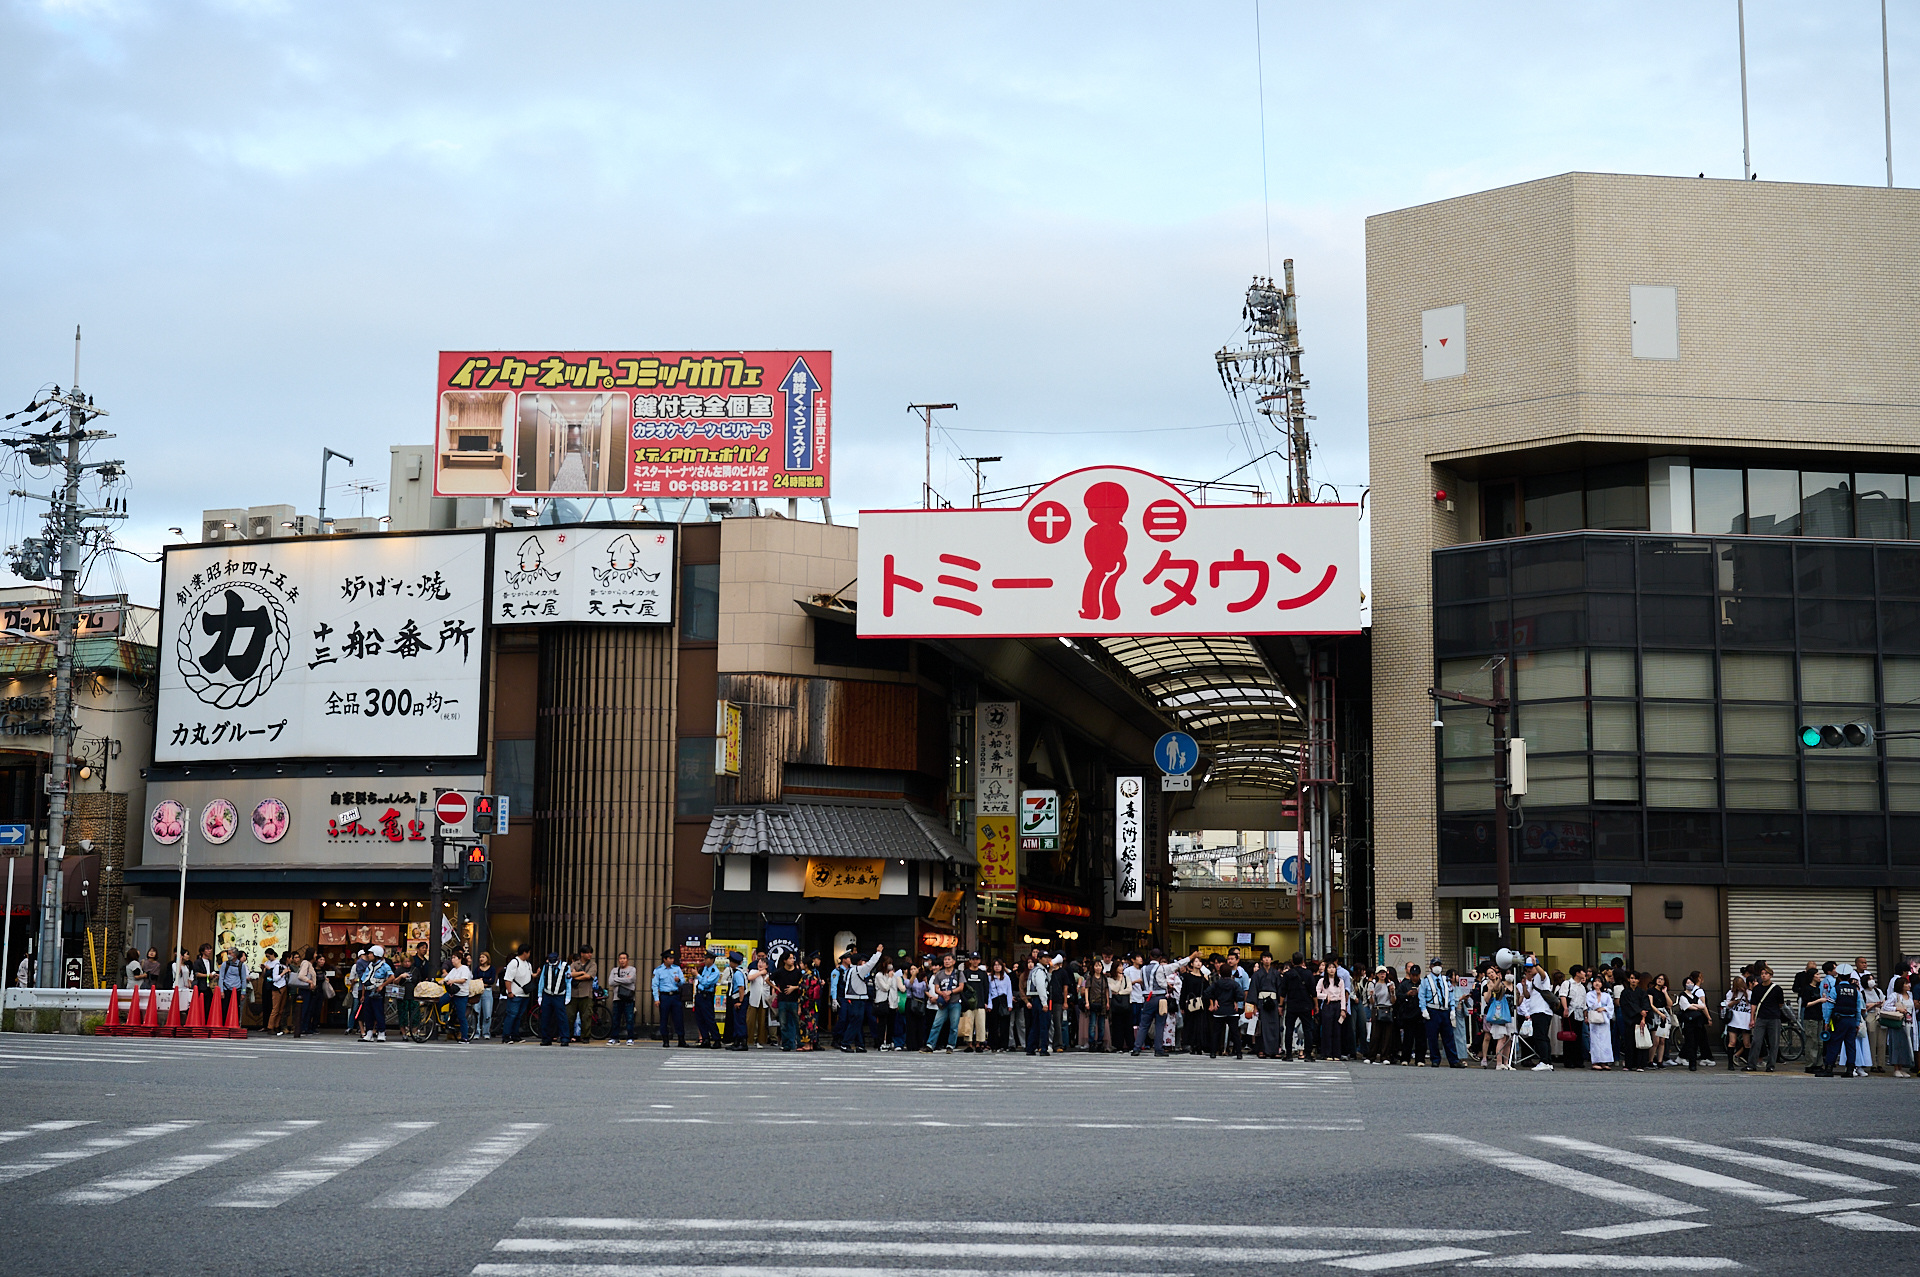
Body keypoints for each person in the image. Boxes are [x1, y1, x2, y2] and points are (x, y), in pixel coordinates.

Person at [1747, 967, 1782, 1073]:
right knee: (1756, 1041)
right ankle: (1751, 1064)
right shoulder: (1757, 989)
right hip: (1761, 1017)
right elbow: (1753, 1004)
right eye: (1762, 973)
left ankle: (1771, 1065)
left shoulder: (1777, 989)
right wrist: (1752, 1018)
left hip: (1774, 1018)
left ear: (1771, 975)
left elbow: (1781, 1004)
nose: (1763, 975)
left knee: (1774, 1042)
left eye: (1766, 974)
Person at [926, 953, 964, 1053]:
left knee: (954, 1026)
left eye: (949, 959)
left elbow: (961, 987)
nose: (947, 961)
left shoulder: (958, 973)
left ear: (954, 962)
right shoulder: (939, 974)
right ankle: (930, 1044)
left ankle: (950, 1045)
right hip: (943, 1004)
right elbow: (936, 988)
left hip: (955, 1002)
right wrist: (943, 994)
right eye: (945, 960)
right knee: (936, 1024)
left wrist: (950, 992)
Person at [650, 949, 687, 1047]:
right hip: (665, 996)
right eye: (670, 958)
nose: (672, 960)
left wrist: (679, 980)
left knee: (678, 1018)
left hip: (675, 996)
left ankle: (681, 1039)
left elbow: (683, 981)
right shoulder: (658, 970)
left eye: (672, 958)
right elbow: (654, 985)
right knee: (664, 1019)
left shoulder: (677, 969)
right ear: (664, 959)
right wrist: (656, 999)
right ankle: (665, 1040)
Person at [1316, 962, 1351, 1065]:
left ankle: (1336, 1054)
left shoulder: (1340, 981)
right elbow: (1316, 993)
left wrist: (1343, 1009)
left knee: (1337, 1030)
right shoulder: (1322, 981)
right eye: (1329, 968)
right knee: (1327, 1029)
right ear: (1326, 970)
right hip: (1327, 1005)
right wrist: (1325, 996)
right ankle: (1327, 1053)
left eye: (1333, 968)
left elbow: (1343, 996)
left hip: (1337, 1005)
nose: (1331, 970)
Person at [357, 945, 393, 1042]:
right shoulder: (369, 966)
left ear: (376, 954)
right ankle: (369, 1033)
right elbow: (364, 980)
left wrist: (382, 985)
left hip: (377, 992)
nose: (368, 955)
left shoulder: (384, 965)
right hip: (368, 991)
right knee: (368, 1013)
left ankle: (381, 1032)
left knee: (378, 1012)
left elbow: (391, 976)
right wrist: (363, 995)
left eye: (370, 953)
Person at [1882, 975, 1914, 1078]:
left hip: (1909, 1023)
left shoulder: (1910, 995)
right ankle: (1896, 1068)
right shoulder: (1894, 995)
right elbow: (1885, 1007)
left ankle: (1902, 1067)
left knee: (1905, 1046)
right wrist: (1897, 1009)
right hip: (1898, 1023)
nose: (1908, 985)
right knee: (1897, 1045)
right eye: (1905, 983)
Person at [501, 945, 534, 1043]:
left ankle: (515, 1035)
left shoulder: (528, 964)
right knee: (512, 1015)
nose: (529, 954)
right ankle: (506, 1036)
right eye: (528, 952)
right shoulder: (514, 962)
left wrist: (537, 974)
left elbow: (530, 975)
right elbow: (508, 979)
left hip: (524, 994)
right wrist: (510, 992)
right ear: (525, 952)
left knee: (518, 1016)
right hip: (515, 994)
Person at [537, 951, 571, 1046]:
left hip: (559, 995)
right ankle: (546, 1038)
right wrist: (540, 995)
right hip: (547, 995)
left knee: (562, 1017)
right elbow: (542, 981)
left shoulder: (565, 967)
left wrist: (568, 997)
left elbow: (568, 983)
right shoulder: (546, 966)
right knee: (545, 1017)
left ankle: (564, 1038)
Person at [773, 953, 805, 1051]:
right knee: (783, 1023)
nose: (792, 960)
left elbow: (803, 985)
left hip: (795, 1000)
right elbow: (768, 979)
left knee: (797, 1022)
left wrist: (794, 988)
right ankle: (786, 1044)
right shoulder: (779, 972)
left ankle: (800, 1043)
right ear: (784, 960)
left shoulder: (798, 972)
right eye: (790, 958)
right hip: (782, 1000)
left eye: (793, 958)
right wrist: (775, 988)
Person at [567, 945, 597, 1043]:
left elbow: (588, 976)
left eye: (590, 952)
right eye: (587, 952)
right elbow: (569, 974)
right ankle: (568, 1035)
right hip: (573, 993)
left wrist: (576, 975)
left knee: (586, 1016)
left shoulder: (593, 965)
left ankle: (585, 1036)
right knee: (570, 1016)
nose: (590, 954)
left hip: (586, 993)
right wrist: (581, 973)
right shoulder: (575, 964)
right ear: (582, 954)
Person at [1023, 950, 1051, 1056]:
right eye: (1044, 957)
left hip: (1034, 999)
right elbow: (1041, 987)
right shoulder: (1040, 971)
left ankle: (1031, 1047)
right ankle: (1043, 1048)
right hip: (1039, 999)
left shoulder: (1034, 970)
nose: (1047, 959)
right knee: (1043, 1024)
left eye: (1048, 957)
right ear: (1039, 959)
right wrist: (1044, 1003)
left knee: (1035, 1025)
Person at [960, 954, 989, 1053]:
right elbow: (962, 988)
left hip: (980, 1002)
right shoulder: (965, 973)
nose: (975, 961)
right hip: (968, 1004)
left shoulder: (983, 974)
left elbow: (986, 988)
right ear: (970, 961)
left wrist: (986, 1002)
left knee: (980, 1024)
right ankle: (969, 1044)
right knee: (968, 1024)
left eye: (977, 959)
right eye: (973, 959)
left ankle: (978, 1044)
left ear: (979, 961)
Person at [1721, 975, 1752, 1071]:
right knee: (1732, 1042)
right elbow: (1727, 1005)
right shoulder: (1730, 993)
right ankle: (1730, 1064)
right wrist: (1734, 1002)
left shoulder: (1750, 993)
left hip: (1746, 1019)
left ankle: (1748, 1063)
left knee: (1747, 1043)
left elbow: (1753, 1006)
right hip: (1734, 1020)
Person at [607, 952, 638, 1045]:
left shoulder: (632, 969)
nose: (622, 960)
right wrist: (623, 980)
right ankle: (614, 1038)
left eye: (624, 958)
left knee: (629, 1018)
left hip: (629, 998)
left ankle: (630, 1038)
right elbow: (610, 982)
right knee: (616, 1018)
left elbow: (630, 980)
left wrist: (617, 979)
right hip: (617, 998)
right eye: (620, 958)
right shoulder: (614, 970)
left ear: (627, 960)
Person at [1584, 977, 1615, 1070]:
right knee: (1595, 1041)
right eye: (1595, 982)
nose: (1597, 983)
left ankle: (1604, 1062)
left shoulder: (1606, 995)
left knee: (1605, 1040)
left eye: (1599, 982)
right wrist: (1598, 997)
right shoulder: (1589, 994)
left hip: (1604, 1020)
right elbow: (1592, 1006)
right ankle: (1595, 1061)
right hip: (1595, 1020)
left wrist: (1604, 1008)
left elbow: (1611, 1006)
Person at [443, 952, 472, 1043]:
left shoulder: (464, 968)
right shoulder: (453, 970)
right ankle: (444, 1022)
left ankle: (465, 1037)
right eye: (452, 958)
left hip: (461, 994)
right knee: (439, 1002)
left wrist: (453, 980)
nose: (453, 960)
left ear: (459, 959)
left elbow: (463, 980)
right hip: (452, 993)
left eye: (455, 957)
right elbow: (446, 979)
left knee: (461, 1016)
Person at [474, 951, 499, 1040]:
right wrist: (485, 980)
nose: (481, 959)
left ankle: (486, 1032)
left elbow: (492, 981)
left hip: (487, 991)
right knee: (476, 1012)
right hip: (477, 991)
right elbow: (475, 979)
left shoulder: (492, 969)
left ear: (487, 959)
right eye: (480, 957)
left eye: (483, 957)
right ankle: (476, 1032)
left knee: (487, 1013)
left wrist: (482, 980)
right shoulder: (477, 969)